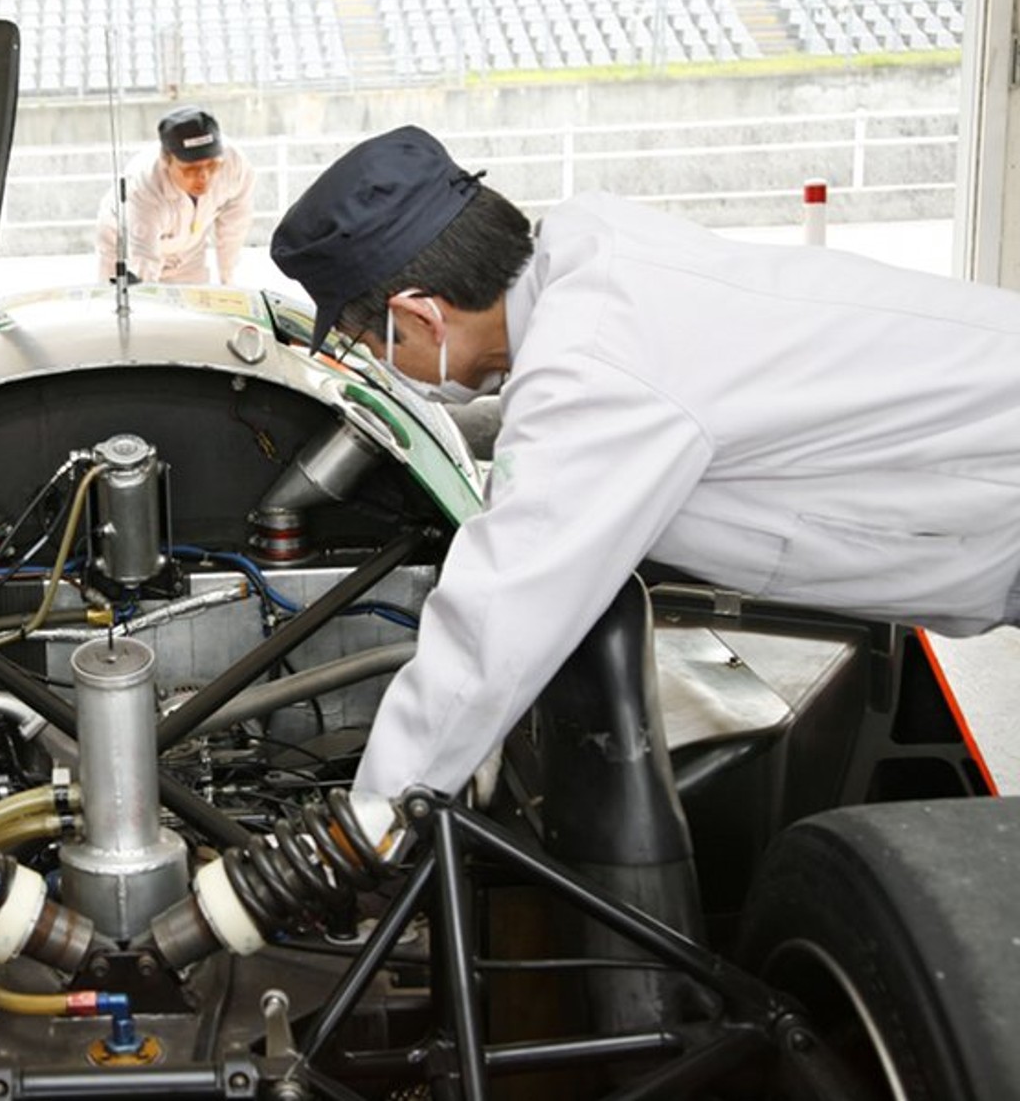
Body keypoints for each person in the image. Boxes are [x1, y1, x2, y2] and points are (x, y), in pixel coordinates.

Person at [270, 124, 1020, 808]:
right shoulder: (595, 255)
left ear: (421, 316)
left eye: (375, 346)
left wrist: (366, 819)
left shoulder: (595, 366)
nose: (386, 366)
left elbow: (498, 616)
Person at [96, 106, 256, 285]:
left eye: (211, 166)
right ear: (166, 160)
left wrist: (228, 281)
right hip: (126, 245)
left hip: (188, 249)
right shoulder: (144, 187)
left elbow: (233, 228)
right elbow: (143, 259)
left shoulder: (234, 165)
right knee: (135, 301)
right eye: (191, 169)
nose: (204, 177)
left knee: (194, 305)